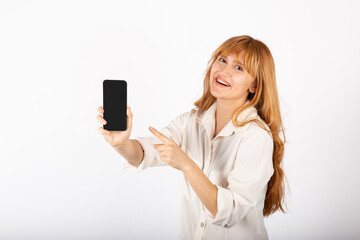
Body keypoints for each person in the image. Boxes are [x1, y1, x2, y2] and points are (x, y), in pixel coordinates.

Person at [97, 35, 286, 240]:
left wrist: (186, 164)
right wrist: (122, 143)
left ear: (255, 86)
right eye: (222, 60)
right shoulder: (191, 122)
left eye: (238, 68)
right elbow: (144, 153)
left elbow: (229, 212)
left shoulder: (256, 137)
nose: (224, 70)